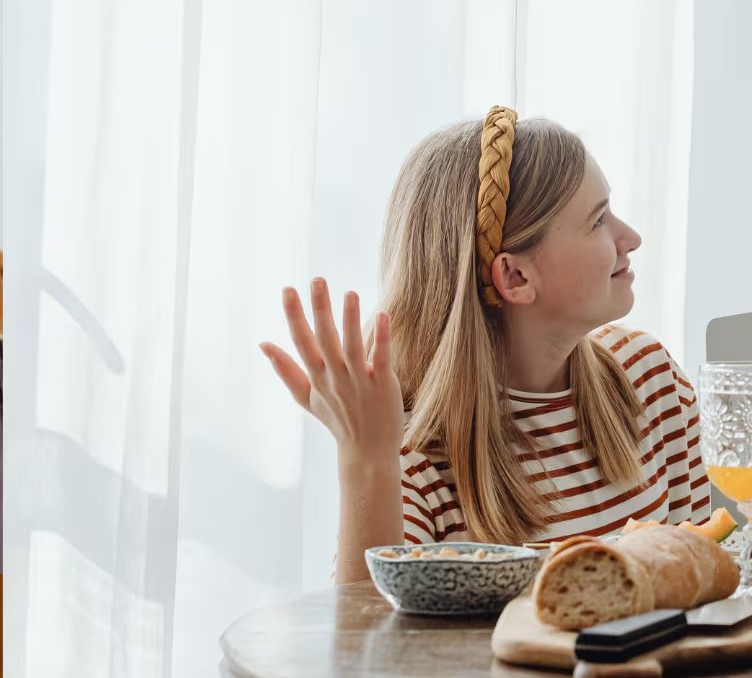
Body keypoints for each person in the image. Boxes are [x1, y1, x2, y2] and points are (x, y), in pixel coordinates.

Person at [259, 107, 710, 582]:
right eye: (598, 220)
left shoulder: (650, 379)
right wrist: (365, 458)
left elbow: (709, 586)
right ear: (516, 276)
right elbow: (363, 651)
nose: (631, 238)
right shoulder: (417, 463)